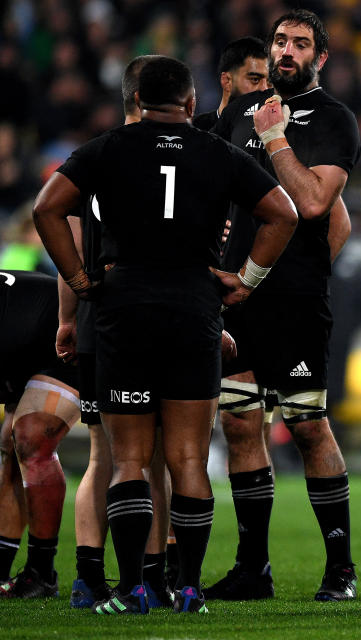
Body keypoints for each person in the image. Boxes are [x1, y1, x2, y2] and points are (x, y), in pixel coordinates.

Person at [33, 55, 298, 614]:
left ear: (134, 99)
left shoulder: (105, 149)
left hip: (122, 309)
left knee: (127, 459)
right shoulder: (218, 152)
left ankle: (130, 589)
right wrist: (246, 281)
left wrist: (81, 281)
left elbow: (47, 208)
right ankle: (190, 589)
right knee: (187, 459)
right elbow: (285, 213)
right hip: (194, 307)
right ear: (192, 102)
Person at [208, 9, 361, 602]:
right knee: (241, 423)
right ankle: (254, 569)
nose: (287, 51)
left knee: (306, 424)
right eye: (279, 42)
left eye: (300, 44)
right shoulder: (239, 118)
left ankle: (340, 570)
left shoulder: (332, 119)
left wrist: (275, 138)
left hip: (294, 302)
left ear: (321, 57)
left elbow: (322, 205)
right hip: (234, 298)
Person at [54, 54, 179, 611]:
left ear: (128, 97)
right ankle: (153, 577)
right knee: (153, 458)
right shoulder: (180, 157)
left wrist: (67, 315)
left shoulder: (94, 158)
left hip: (97, 315)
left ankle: (87, 578)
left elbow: (71, 246)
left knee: (104, 454)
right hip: (159, 315)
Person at [0, 270, 79, 599]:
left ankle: (41, 571)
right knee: (10, 443)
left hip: (66, 336)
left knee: (31, 439)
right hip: (23, 344)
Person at [193, 37, 268, 132]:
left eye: (270, 82)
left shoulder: (282, 135)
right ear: (227, 81)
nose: (265, 89)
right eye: (255, 80)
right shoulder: (193, 130)